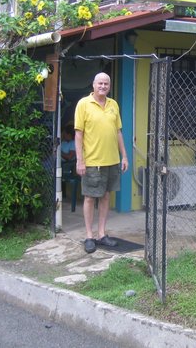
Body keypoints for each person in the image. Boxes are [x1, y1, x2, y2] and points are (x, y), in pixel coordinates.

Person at [74, 72, 129, 254]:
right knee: (90, 197)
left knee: (106, 196)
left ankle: (101, 234)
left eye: (106, 84)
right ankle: (89, 236)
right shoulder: (83, 104)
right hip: (92, 161)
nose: (103, 86)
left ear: (109, 86)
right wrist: (80, 161)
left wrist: (124, 156)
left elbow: (118, 132)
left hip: (112, 160)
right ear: (93, 85)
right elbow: (79, 134)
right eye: (100, 83)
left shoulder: (114, 105)